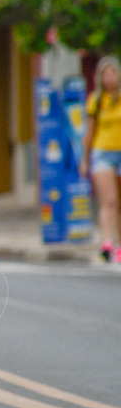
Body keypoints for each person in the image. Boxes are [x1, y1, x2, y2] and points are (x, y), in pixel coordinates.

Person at [80, 56, 121, 263]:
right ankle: (107, 242)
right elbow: (90, 131)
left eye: (112, 73)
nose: (109, 78)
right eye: (105, 75)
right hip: (102, 151)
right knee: (109, 200)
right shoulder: (96, 100)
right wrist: (85, 160)